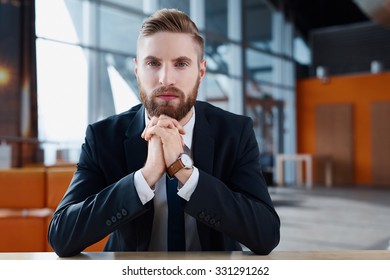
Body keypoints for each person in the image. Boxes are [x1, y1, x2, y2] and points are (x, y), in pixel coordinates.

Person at [48, 8, 280, 257]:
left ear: (200, 72)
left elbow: (265, 234)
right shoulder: (103, 137)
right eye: (153, 63)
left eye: (181, 64)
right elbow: (62, 236)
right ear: (137, 69)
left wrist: (184, 173)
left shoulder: (234, 133)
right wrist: (144, 177)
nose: (165, 78)